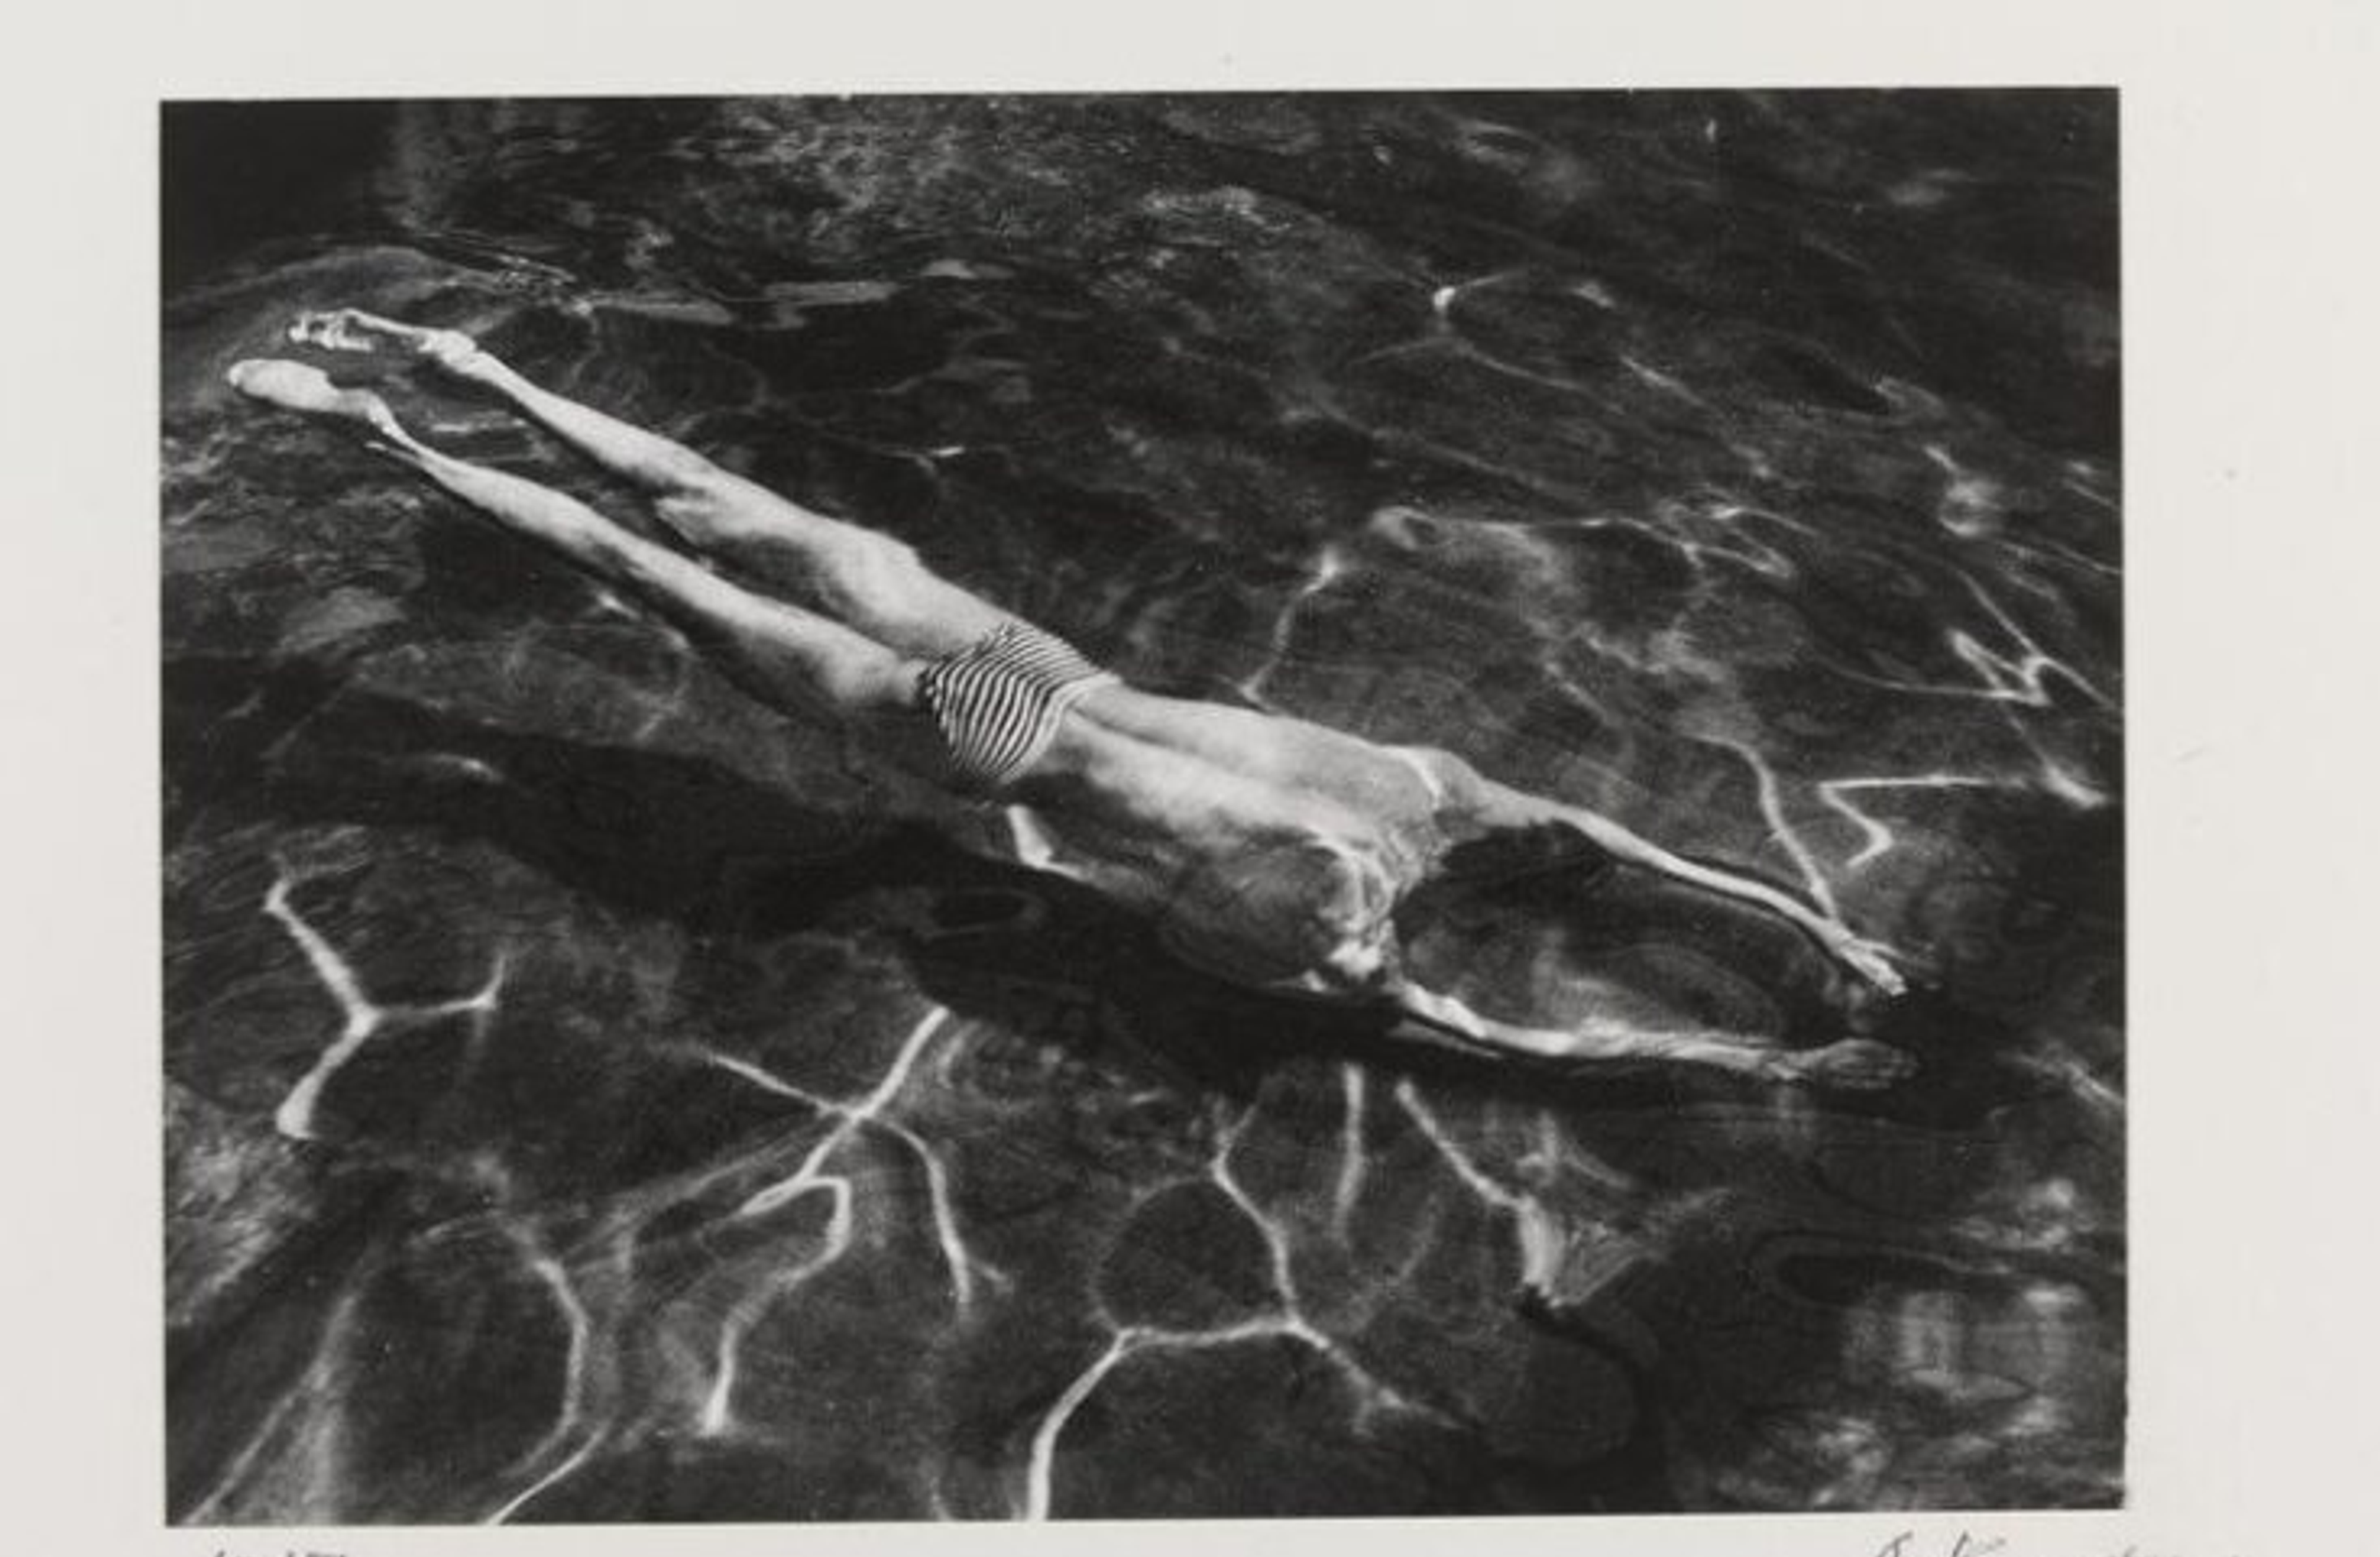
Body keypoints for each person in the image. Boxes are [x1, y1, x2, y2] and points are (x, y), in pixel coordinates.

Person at [227, 309, 1914, 1089]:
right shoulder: (1337, 945)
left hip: (1036, 659)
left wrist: (1816, 923)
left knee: (735, 513)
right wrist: (1751, 1058)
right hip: (990, 743)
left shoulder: (1434, 788)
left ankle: (466, 370)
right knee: (654, 578)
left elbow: (1627, 854)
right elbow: (1528, 1037)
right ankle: (368, 427)